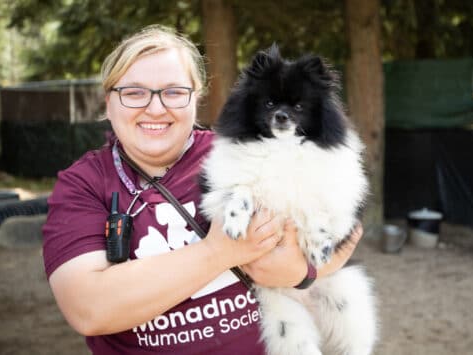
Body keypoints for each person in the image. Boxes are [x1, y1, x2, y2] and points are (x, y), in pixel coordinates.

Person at [42, 24, 364, 354]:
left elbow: (345, 229)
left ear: (197, 97)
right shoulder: (83, 184)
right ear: (108, 102)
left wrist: (303, 271)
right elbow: (88, 309)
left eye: (174, 92)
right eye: (134, 92)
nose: (155, 108)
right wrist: (220, 252)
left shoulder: (241, 151)